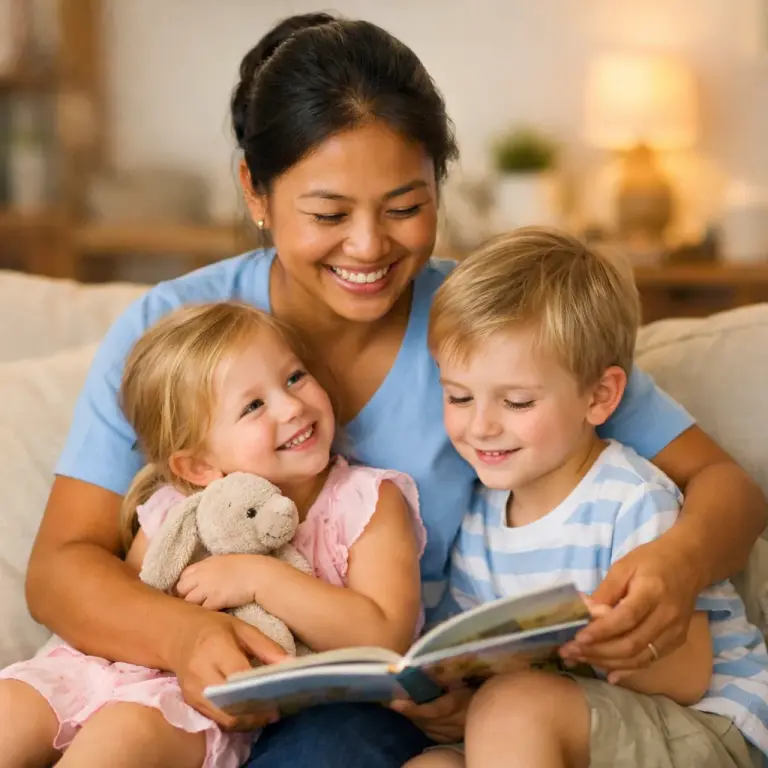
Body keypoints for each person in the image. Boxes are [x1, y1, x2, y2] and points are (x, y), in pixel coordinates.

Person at [16, 11, 766, 768]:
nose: (370, 247)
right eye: (328, 214)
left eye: (407, 207)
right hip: (189, 681)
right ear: (256, 191)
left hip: (376, 708)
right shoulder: (171, 328)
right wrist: (182, 636)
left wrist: (678, 565)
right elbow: (61, 568)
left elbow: (723, 486)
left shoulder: (491, 332)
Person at [0, 301, 424, 768]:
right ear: (199, 466)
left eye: (294, 377)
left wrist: (261, 579)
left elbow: (385, 639)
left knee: (120, 736)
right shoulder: (173, 507)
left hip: (185, 705)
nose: (292, 406)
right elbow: (133, 601)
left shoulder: (366, 501)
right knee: (11, 712)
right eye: (254, 405)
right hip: (95, 667)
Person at [404, 227, 768, 768]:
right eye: (458, 395)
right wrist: (449, 692)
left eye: (518, 401)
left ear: (599, 397)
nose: (480, 426)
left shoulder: (631, 498)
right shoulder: (478, 520)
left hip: (708, 725)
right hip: (567, 724)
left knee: (513, 708)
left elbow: (688, 675)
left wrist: (577, 651)